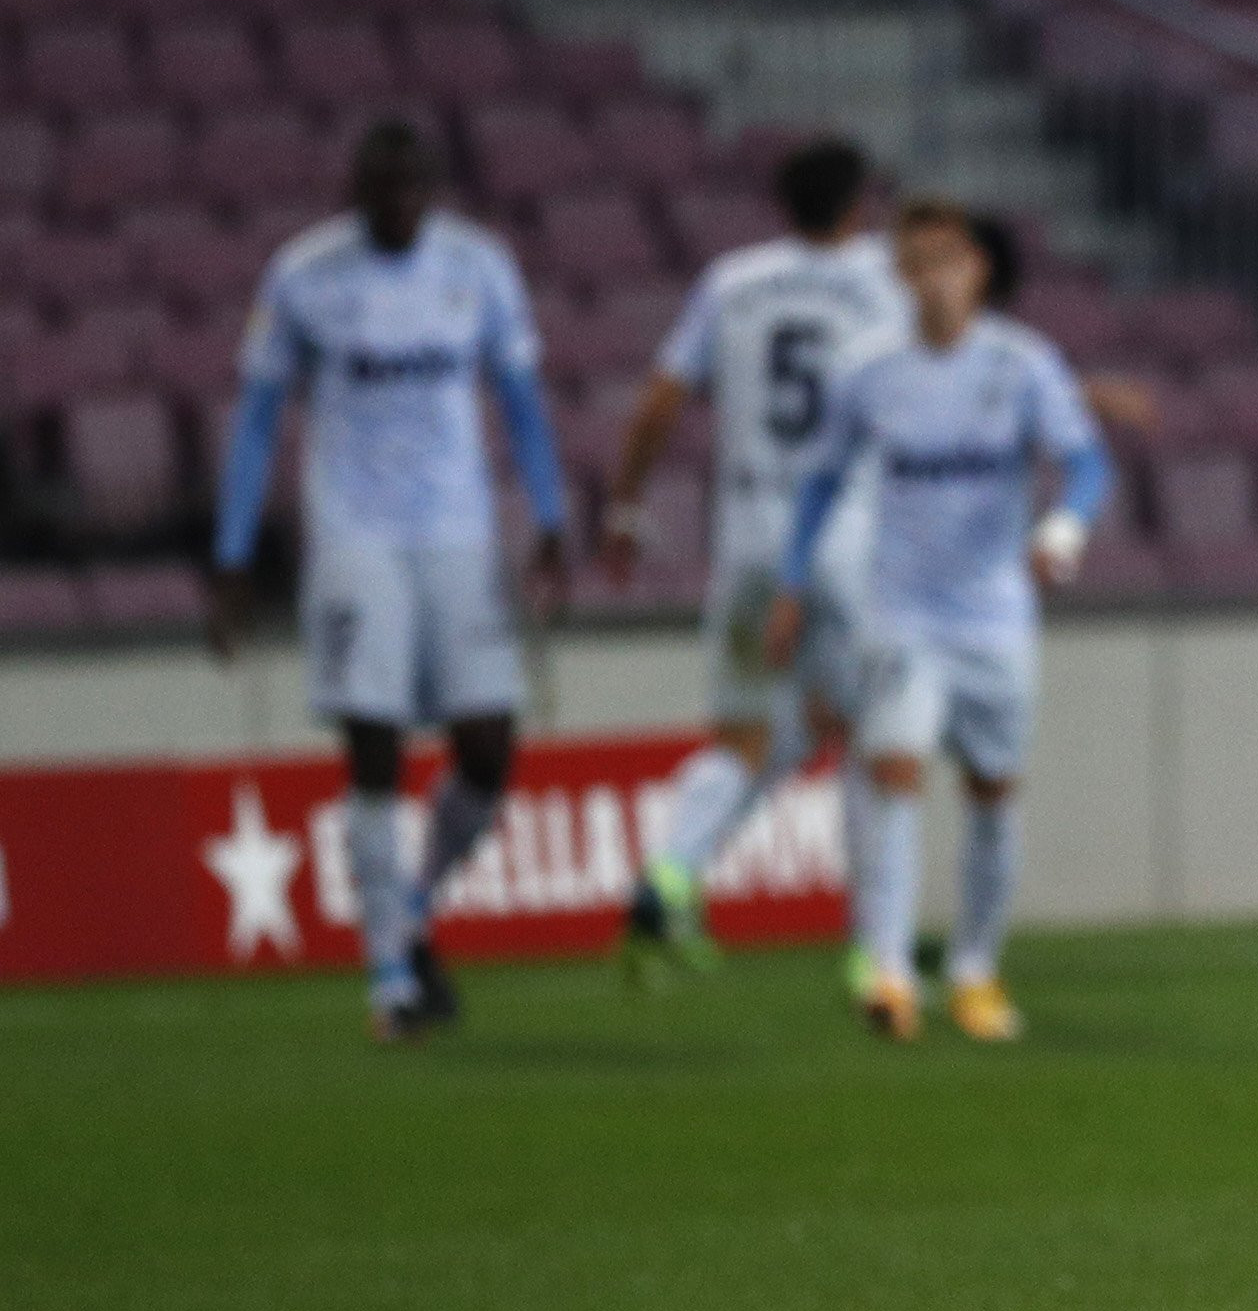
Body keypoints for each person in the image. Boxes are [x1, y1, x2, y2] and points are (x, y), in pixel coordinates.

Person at [207, 118, 570, 1042]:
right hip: (354, 537)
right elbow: (256, 423)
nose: (400, 205)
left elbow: (521, 402)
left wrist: (553, 516)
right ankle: (388, 978)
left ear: (433, 189)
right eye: (383, 190)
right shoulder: (304, 276)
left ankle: (413, 904)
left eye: (414, 189)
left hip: (458, 534)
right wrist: (233, 551)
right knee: (374, 749)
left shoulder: (478, 267)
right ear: (357, 192)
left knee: (488, 747)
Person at [762, 200, 1115, 1044]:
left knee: (993, 789)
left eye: (947, 258)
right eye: (917, 261)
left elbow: (1087, 460)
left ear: (977, 267)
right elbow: (820, 481)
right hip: (901, 612)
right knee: (894, 773)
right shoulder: (868, 368)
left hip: (994, 615)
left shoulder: (1023, 364)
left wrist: (1064, 527)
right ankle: (888, 970)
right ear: (900, 275)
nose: (935, 277)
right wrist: (792, 579)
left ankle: (974, 970)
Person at [603, 136, 908, 992]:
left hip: (744, 538)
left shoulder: (731, 283)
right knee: (870, 736)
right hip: (845, 532)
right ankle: (874, 944)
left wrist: (625, 507)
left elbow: (660, 401)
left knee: (748, 732)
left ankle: (669, 875)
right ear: (857, 206)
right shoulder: (883, 278)